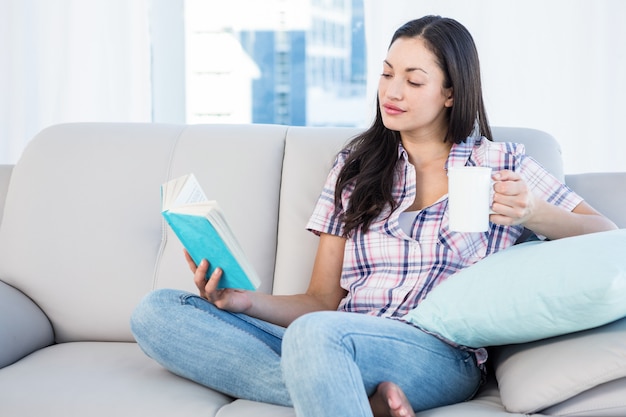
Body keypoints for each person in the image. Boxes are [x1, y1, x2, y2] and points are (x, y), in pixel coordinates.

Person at [130, 15, 617, 417]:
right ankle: (359, 400)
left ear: (450, 93)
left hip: (438, 352)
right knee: (157, 314)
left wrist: (535, 211)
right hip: (336, 334)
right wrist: (243, 303)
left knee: (316, 338)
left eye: (413, 80)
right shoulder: (355, 167)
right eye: (387, 73)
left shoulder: (502, 163)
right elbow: (323, 300)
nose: (392, 91)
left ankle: (331, 380)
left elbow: (605, 236)